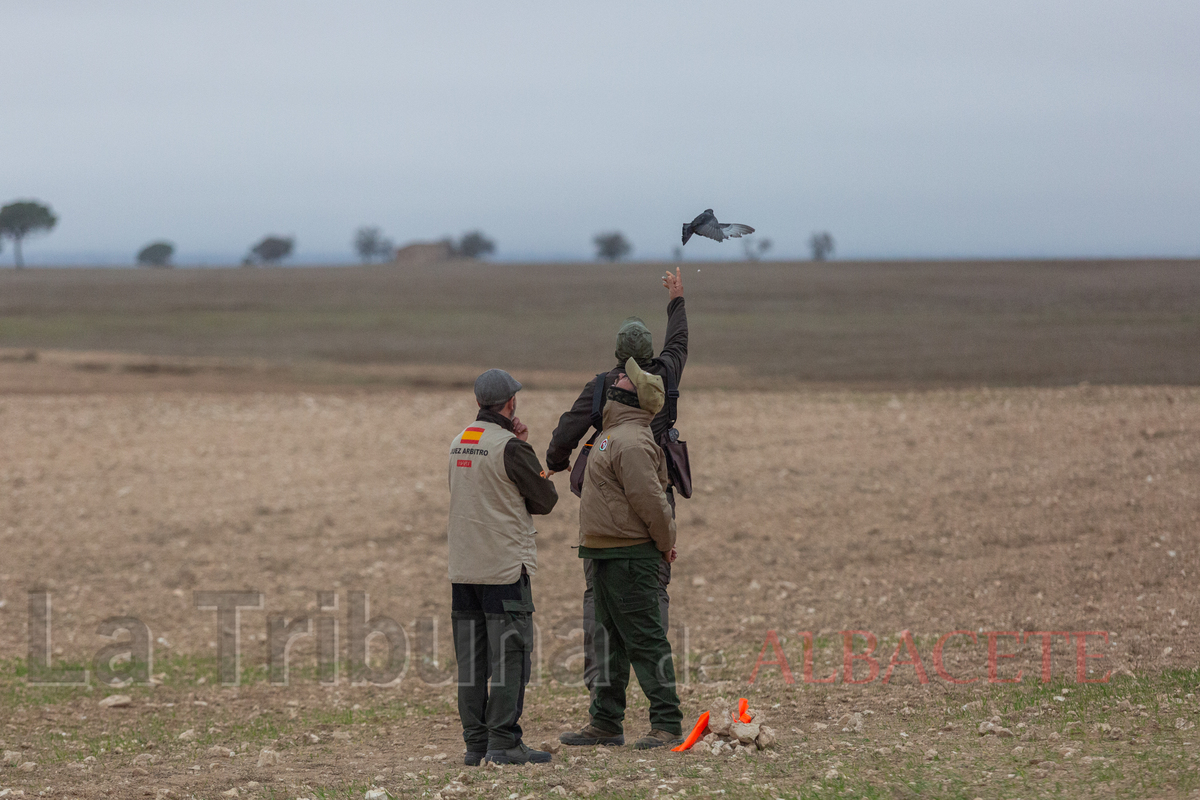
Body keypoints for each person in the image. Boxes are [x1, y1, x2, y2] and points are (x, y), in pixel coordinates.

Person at [545, 267, 687, 695]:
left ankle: (602, 689)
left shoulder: (604, 383)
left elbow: (567, 428)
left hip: (605, 495)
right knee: (654, 583)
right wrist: (676, 300)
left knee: (599, 591)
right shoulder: (667, 373)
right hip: (651, 486)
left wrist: (554, 461)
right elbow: (679, 342)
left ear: (618, 353)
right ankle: (655, 679)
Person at [559, 359, 683, 749]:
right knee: (608, 640)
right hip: (603, 554)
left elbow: (651, 501)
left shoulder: (629, 441)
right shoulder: (614, 435)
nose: (618, 377)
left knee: (645, 639)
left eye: (626, 378)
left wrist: (665, 545)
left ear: (631, 397)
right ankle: (606, 722)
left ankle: (667, 722)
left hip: (630, 556)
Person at [448, 369, 558, 766]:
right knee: (510, 658)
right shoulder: (511, 448)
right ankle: (504, 742)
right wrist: (525, 447)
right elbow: (545, 498)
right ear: (510, 403)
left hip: (462, 570)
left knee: (471, 664)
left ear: (479, 402)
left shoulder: (459, 442)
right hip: (504, 571)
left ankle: (475, 745)